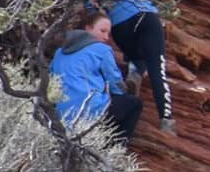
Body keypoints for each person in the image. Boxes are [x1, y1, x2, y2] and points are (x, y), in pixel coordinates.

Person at [50, 9, 142, 142]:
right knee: (134, 104)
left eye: (108, 33)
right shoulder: (101, 50)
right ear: (88, 28)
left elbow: (52, 81)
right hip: (90, 110)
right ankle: (115, 148)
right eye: (102, 31)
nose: (106, 37)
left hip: (63, 115)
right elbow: (115, 83)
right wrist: (126, 91)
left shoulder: (59, 52)